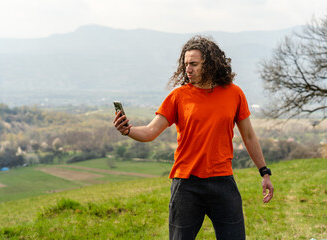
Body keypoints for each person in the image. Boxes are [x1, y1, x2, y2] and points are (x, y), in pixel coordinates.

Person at [113, 35, 274, 240]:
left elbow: (249, 136)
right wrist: (128, 130)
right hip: (186, 184)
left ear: (211, 64)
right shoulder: (178, 96)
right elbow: (150, 131)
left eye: (194, 64)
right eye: (186, 64)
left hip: (222, 182)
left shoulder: (234, 94)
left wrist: (264, 172)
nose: (188, 69)